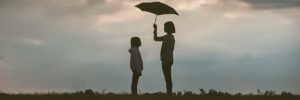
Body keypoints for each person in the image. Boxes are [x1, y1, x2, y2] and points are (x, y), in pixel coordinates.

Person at [153, 21, 175, 94]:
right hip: (168, 59)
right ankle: (169, 93)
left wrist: (164, 59)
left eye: (165, 27)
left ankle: (169, 93)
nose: (164, 28)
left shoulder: (168, 37)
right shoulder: (170, 37)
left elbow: (156, 39)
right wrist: (155, 29)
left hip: (166, 60)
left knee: (167, 78)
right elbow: (156, 38)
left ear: (168, 28)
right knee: (168, 77)